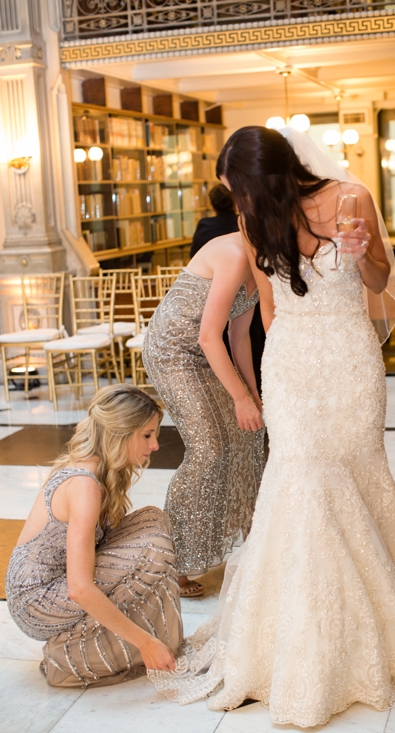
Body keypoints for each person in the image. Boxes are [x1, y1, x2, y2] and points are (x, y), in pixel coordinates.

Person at [149, 126, 395, 726]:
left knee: (360, 476)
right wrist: (258, 388)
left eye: (242, 188)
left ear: (271, 176)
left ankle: (374, 629)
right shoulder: (256, 226)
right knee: (302, 483)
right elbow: (270, 313)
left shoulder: (351, 197)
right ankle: (301, 646)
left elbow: (383, 282)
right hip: (292, 366)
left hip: (351, 363)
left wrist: (363, 253)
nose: (239, 202)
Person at [4, 384, 181, 688]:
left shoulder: (99, 470)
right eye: (147, 435)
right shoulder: (84, 485)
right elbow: (80, 589)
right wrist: (144, 642)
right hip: (36, 602)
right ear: (120, 434)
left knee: (153, 520)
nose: (154, 446)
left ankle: (143, 637)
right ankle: (70, 654)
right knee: (153, 548)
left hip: (55, 585)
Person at [142, 229, 266, 598]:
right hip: (173, 353)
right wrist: (239, 399)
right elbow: (209, 336)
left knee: (252, 433)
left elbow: (238, 337)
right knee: (208, 450)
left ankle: (251, 539)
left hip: (208, 352)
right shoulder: (233, 253)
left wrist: (253, 396)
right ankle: (171, 561)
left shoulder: (262, 263)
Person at [190, 183, 266, 394]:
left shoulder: (205, 225)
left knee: (238, 333)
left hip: (225, 299)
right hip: (225, 300)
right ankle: (250, 391)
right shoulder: (240, 229)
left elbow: (193, 254)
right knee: (249, 335)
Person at [190, 184, 238, 258]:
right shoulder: (244, 222)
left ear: (212, 207)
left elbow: (194, 255)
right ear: (234, 203)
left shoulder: (204, 225)